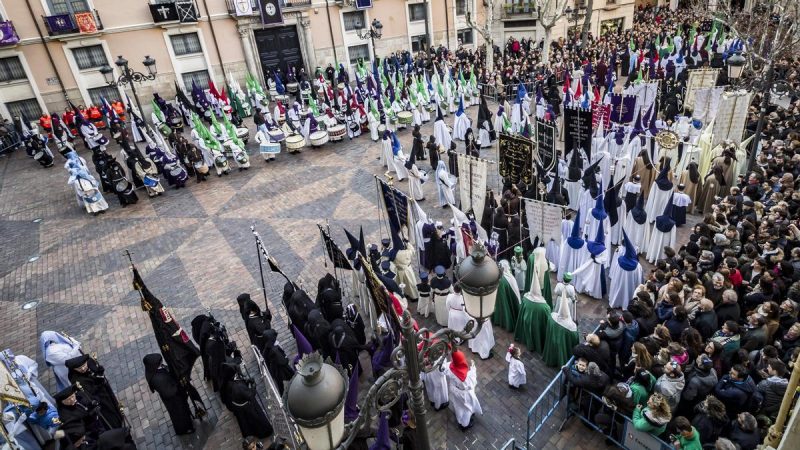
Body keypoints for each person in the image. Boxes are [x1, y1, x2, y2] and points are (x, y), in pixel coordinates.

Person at [65, 354, 125, 429]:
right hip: (98, 398)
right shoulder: (75, 378)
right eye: (79, 368)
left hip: (104, 391)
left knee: (114, 405)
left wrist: (99, 375)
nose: (83, 369)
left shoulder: (90, 362)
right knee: (108, 413)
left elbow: (97, 372)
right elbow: (87, 392)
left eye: (84, 365)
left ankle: (120, 417)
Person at [142, 354, 195, 435]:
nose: (161, 362)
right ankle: (184, 429)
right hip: (173, 399)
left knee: (182, 411)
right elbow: (169, 392)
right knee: (179, 414)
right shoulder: (158, 379)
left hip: (172, 394)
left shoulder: (153, 370)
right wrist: (178, 386)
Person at [444, 350, 482, 430]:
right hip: (464, 394)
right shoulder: (467, 376)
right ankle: (464, 425)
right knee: (467, 408)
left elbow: (444, 369)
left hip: (454, 390)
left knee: (458, 406)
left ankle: (459, 419)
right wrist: (473, 367)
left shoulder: (449, 367)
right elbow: (472, 384)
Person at [492, 260, 521, 332]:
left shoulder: (497, 276)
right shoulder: (508, 278)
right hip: (504, 298)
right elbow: (514, 289)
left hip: (498, 299)